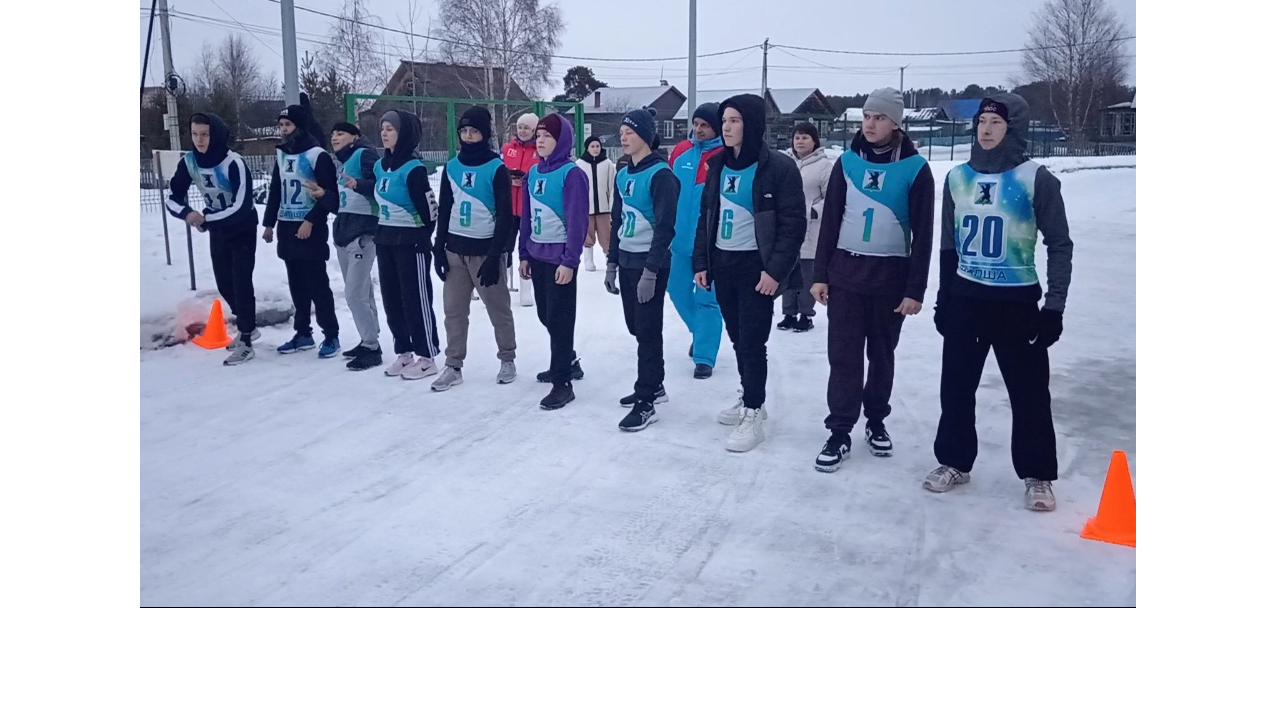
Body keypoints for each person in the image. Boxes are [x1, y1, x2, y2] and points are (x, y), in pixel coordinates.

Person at [925, 92, 1074, 512]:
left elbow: (1059, 245)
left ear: (1014, 128)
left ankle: (1038, 474)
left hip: (1016, 305)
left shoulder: (1036, 179)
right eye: (981, 122)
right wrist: (944, 298)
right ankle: (955, 461)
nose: (986, 130)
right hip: (967, 301)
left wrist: (1054, 308)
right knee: (956, 389)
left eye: (996, 123)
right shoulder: (957, 178)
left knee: (1029, 394)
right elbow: (949, 245)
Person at [809, 88, 935, 473]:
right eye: (866, 116)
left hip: (890, 280)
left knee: (881, 355)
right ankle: (839, 430)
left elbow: (924, 234)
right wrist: (820, 275)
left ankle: (876, 420)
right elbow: (830, 221)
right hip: (846, 275)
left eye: (879, 117)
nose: (870, 123)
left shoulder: (916, 169)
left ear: (896, 122)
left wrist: (915, 289)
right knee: (843, 356)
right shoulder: (847, 163)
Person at [691, 94, 806, 452]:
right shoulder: (717, 165)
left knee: (753, 342)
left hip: (757, 270)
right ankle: (750, 394)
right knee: (738, 337)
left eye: (735, 120)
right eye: (724, 120)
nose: (726, 127)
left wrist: (775, 271)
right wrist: (701, 262)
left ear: (752, 124)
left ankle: (754, 412)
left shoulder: (779, 168)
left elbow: (793, 225)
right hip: (723, 265)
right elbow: (706, 216)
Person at [430, 106, 519, 391]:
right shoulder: (452, 167)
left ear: (485, 134)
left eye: (474, 131)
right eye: (464, 131)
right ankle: (453, 365)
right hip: (455, 250)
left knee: (498, 309)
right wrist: (438, 248)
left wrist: (496, 255)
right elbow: (445, 209)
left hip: (486, 252)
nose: (468, 136)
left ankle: (507, 358)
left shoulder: (496, 168)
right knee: (454, 311)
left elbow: (505, 215)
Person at [605, 108, 680, 431]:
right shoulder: (622, 174)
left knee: (648, 330)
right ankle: (656, 383)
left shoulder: (661, 175)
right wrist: (611, 262)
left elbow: (665, 227)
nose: (624, 138)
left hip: (651, 264)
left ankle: (646, 397)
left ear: (646, 136)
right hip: (626, 260)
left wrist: (651, 270)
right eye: (622, 133)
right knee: (636, 326)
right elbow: (617, 220)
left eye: (630, 133)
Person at [167, 112, 260, 366]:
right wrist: (188, 214)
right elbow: (172, 198)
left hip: (242, 228)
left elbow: (242, 205)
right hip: (218, 230)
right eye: (195, 134)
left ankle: (246, 340)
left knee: (241, 281)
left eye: (205, 134)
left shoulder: (233, 162)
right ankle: (248, 326)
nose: (199, 140)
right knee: (224, 283)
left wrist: (207, 219)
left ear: (215, 134)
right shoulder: (189, 162)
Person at [518, 113, 588, 410]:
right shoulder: (533, 173)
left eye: (547, 136)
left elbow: (577, 220)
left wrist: (570, 261)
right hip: (537, 256)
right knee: (545, 315)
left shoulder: (572, 175)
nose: (540, 140)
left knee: (560, 320)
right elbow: (526, 216)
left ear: (561, 141)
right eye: (539, 135)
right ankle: (567, 360)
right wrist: (523, 253)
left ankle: (563, 383)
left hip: (560, 260)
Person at [262, 103, 341, 359]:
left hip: (310, 228)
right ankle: (303, 333)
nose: (284, 129)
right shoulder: (282, 154)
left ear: (300, 126)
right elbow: (276, 189)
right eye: (281, 125)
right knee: (296, 284)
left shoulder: (317, 155)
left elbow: (330, 195)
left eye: (288, 125)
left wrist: (311, 221)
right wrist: (269, 223)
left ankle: (331, 334)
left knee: (318, 283)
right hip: (287, 227)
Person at [373, 109, 443, 381]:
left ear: (404, 134)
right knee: (392, 299)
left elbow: (430, 210)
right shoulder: (380, 166)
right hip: (385, 239)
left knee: (415, 299)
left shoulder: (414, 169)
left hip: (411, 242)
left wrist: (423, 237)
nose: (384, 133)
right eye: (383, 128)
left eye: (390, 129)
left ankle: (427, 356)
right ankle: (404, 352)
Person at [668, 103, 726, 380]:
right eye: (696, 124)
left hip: (711, 246)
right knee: (676, 290)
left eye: (705, 125)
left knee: (708, 301)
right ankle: (701, 332)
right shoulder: (680, 151)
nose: (699, 130)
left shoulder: (725, 156)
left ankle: (704, 356)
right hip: (678, 240)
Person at [329, 121, 384, 371]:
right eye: (333, 134)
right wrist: (323, 195)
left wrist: (359, 184)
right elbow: (344, 201)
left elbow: (380, 187)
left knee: (353, 294)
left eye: (341, 133)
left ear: (355, 137)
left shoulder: (364, 155)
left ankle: (372, 347)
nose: (335, 137)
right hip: (345, 232)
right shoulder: (342, 162)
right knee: (363, 291)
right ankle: (368, 338)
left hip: (362, 232)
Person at [779, 121, 833, 333]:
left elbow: (832, 197)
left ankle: (805, 314)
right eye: (797, 137)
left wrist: (814, 210)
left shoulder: (824, 166)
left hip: (812, 229)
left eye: (805, 137)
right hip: (788, 228)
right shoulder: (785, 163)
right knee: (787, 270)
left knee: (806, 273)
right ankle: (788, 313)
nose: (800, 141)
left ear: (814, 141)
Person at [503, 112, 540, 305]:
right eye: (520, 127)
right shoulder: (508, 148)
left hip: (529, 208)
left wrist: (525, 179)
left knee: (527, 248)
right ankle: (502, 285)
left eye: (527, 128)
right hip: (508, 206)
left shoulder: (540, 149)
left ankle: (526, 288)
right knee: (504, 246)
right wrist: (508, 179)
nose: (523, 131)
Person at [575, 135, 615, 272]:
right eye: (592, 146)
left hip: (604, 208)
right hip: (586, 209)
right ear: (587, 148)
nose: (596, 149)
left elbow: (612, 187)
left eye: (598, 146)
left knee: (606, 235)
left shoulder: (608, 164)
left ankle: (609, 260)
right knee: (587, 235)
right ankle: (588, 260)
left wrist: (611, 206)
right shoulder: (579, 164)